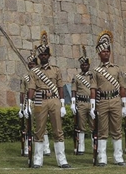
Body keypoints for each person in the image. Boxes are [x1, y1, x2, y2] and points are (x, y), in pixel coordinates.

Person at [27, 31, 71, 168]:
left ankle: (62, 160)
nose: (43, 57)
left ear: (49, 56)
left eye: (45, 54)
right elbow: (31, 88)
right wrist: (29, 103)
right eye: (41, 55)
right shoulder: (34, 71)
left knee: (58, 130)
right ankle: (38, 160)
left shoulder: (56, 70)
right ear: (39, 56)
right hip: (39, 97)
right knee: (39, 129)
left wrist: (62, 103)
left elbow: (60, 87)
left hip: (54, 98)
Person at [89, 31, 126, 166]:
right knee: (102, 131)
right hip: (102, 101)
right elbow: (93, 88)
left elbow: (122, 87)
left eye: (107, 51)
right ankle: (102, 157)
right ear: (99, 54)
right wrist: (93, 106)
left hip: (116, 100)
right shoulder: (95, 70)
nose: (106, 53)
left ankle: (118, 157)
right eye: (103, 51)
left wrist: (124, 104)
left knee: (117, 130)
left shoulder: (116, 69)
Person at [71, 45, 93, 155]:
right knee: (81, 126)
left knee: (94, 125)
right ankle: (81, 147)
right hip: (81, 103)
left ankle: (96, 146)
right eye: (82, 64)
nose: (84, 66)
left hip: (91, 103)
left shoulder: (93, 76)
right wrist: (73, 103)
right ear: (80, 65)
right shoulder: (76, 77)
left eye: (86, 64)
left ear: (89, 65)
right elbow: (73, 90)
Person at [19, 52, 37, 156]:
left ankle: (45, 148)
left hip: (38, 101)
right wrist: (21, 107)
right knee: (27, 126)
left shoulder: (41, 76)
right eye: (29, 64)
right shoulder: (25, 77)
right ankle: (27, 148)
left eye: (33, 64)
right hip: (28, 103)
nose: (31, 65)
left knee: (41, 126)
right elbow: (22, 93)